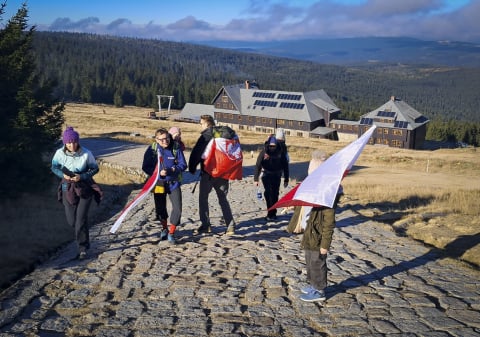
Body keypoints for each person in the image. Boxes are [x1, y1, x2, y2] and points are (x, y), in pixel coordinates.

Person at [286, 150, 342, 302]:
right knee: (310, 261)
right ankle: (313, 284)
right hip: (309, 232)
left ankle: (319, 290)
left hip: (318, 235)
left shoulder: (327, 197)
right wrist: (294, 207)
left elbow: (329, 224)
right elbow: (305, 205)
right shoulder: (313, 189)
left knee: (318, 263)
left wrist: (325, 245)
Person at [51, 127, 102, 260]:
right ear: (65, 143)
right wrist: (63, 175)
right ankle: (83, 238)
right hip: (66, 187)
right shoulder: (59, 154)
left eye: (74, 142)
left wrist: (83, 176)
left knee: (80, 220)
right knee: (72, 221)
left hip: (85, 188)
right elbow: (54, 167)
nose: (72, 145)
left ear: (78, 142)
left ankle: (82, 249)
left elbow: (95, 169)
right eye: (69, 143)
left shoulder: (86, 153)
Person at [188, 114, 236, 235]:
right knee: (223, 199)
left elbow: (197, 152)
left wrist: (192, 167)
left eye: (201, 123)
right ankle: (230, 226)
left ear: (207, 124)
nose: (200, 126)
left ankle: (206, 225)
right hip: (223, 172)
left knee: (203, 198)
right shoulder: (225, 134)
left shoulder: (206, 135)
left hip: (208, 173)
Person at [142, 128, 187, 244]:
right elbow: (145, 166)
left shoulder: (176, 147)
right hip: (159, 184)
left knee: (177, 208)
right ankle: (164, 229)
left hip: (173, 183)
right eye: (161, 140)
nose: (165, 141)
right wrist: (158, 172)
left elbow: (183, 165)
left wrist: (173, 169)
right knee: (160, 208)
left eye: (167, 138)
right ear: (156, 140)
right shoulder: (152, 149)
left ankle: (171, 232)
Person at [254, 135, 289, 221]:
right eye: (271, 146)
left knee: (275, 194)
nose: (272, 148)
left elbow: (285, 166)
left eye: (274, 146)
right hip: (266, 175)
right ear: (268, 145)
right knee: (268, 193)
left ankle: (273, 213)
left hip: (277, 175)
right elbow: (258, 165)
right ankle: (270, 212)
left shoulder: (281, 152)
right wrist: (256, 179)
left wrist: (286, 179)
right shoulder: (264, 152)